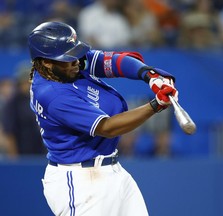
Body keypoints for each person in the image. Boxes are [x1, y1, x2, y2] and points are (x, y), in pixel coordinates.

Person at [28, 21, 178, 216]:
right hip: (80, 180)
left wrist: (150, 75)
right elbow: (108, 128)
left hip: (111, 170)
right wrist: (156, 105)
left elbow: (116, 62)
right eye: (68, 57)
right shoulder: (53, 94)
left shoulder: (66, 67)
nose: (75, 61)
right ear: (46, 62)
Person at [1, 61, 45, 157]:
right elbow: (9, 133)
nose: (28, 85)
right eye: (24, 82)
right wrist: (14, 157)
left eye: (30, 82)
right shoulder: (12, 103)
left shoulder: (39, 99)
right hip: (22, 154)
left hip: (41, 152)